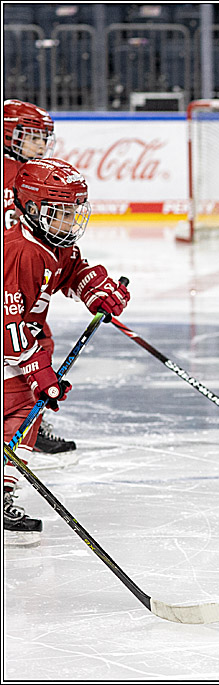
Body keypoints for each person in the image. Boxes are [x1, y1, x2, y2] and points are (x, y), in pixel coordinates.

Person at [3, 158, 131, 547]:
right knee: (21, 409)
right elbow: (8, 325)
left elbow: (72, 270)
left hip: (24, 340)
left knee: (25, 412)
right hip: (12, 342)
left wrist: (96, 291)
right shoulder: (21, 251)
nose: (71, 221)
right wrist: (40, 373)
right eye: (61, 212)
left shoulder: (52, 241)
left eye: (75, 211)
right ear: (33, 210)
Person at [3, 99, 78, 456]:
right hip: (13, 263)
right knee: (20, 346)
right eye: (31, 136)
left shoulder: (34, 174)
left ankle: (30, 419)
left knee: (36, 336)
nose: (39, 144)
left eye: (42, 137)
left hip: (24, 259)